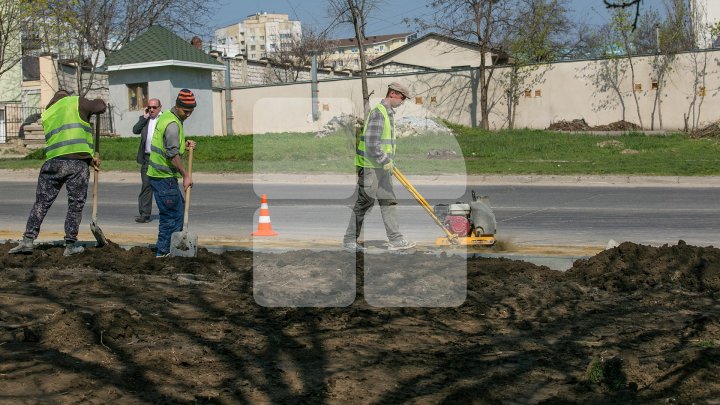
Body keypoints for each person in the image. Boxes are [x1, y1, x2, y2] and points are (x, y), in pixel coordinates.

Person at [9, 90, 106, 256]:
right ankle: (70, 245)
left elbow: (63, 142)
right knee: (75, 204)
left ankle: (27, 240)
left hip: (52, 163)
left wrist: (89, 159)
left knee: (41, 202)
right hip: (76, 165)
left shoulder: (48, 112)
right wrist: (99, 100)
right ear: (66, 96)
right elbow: (100, 107)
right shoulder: (75, 101)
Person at [343, 82, 417, 252]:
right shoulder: (379, 113)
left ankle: (396, 239)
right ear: (393, 94)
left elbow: (384, 143)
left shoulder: (389, 113)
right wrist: (385, 160)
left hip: (382, 166)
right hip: (371, 166)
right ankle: (349, 240)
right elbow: (371, 143)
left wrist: (388, 161)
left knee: (388, 201)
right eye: (402, 98)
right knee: (365, 202)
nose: (403, 101)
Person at [147, 89, 197, 258]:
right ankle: (163, 252)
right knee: (171, 215)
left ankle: (169, 248)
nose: (189, 114)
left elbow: (170, 143)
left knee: (177, 210)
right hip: (163, 176)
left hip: (160, 175)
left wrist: (184, 142)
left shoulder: (169, 116)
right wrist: (185, 174)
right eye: (186, 111)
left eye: (191, 111)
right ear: (178, 106)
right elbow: (172, 154)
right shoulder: (173, 124)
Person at [132, 98, 162, 223]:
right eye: (149, 107)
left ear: (160, 107)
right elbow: (135, 130)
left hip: (160, 158)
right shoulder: (145, 119)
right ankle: (145, 214)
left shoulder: (164, 119)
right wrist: (144, 117)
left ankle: (166, 213)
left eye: (154, 107)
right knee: (146, 186)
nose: (151, 109)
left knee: (162, 186)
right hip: (147, 158)